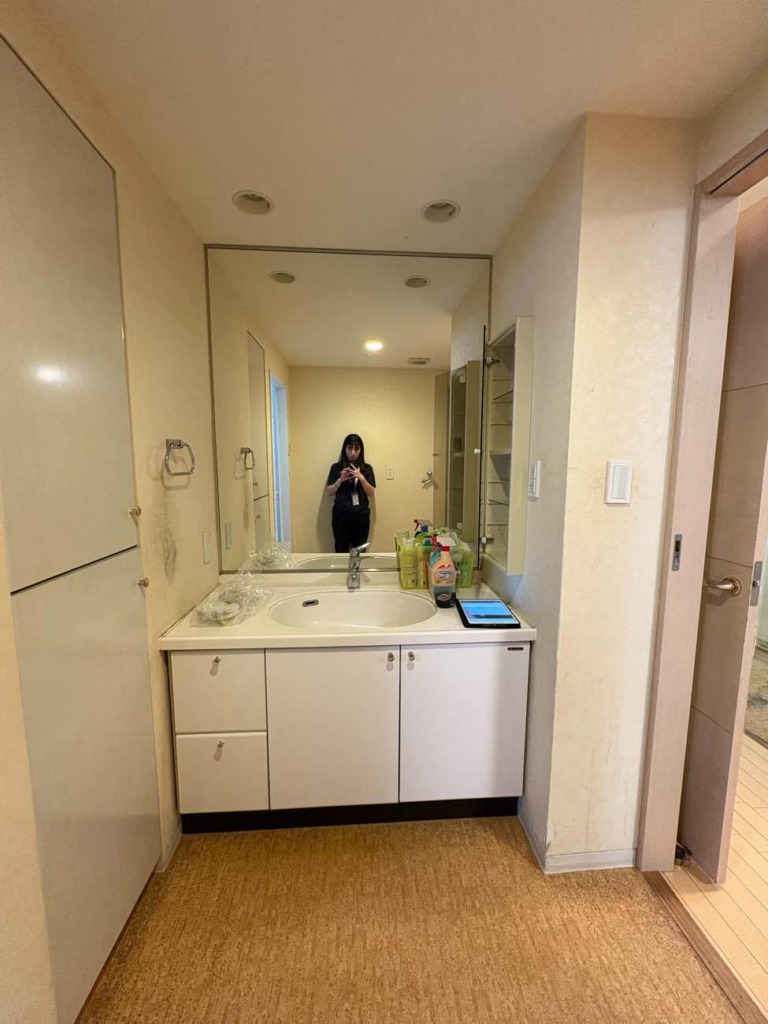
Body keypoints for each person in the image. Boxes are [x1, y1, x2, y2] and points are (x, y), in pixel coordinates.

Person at [326, 433, 376, 553]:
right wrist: (340, 480)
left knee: (360, 551)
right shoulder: (336, 468)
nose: (353, 453)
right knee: (341, 550)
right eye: (349, 448)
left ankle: (357, 567)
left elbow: (371, 492)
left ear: (361, 450)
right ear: (344, 449)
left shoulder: (367, 468)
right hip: (341, 515)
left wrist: (361, 477)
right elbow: (329, 491)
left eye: (356, 449)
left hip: (361, 515)